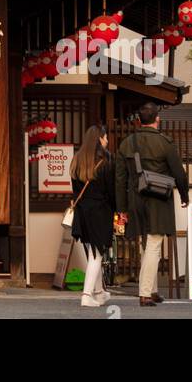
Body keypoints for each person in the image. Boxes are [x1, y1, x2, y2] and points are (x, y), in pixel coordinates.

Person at [115, 102, 189, 306]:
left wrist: (121, 209)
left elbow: (119, 180)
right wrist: (184, 196)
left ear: (138, 121)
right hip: (159, 198)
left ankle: (153, 289)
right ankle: (146, 292)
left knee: (145, 243)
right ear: (158, 119)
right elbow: (179, 174)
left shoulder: (126, 143)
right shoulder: (165, 143)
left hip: (135, 200)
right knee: (155, 243)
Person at [69, 124, 117, 307]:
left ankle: (99, 291)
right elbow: (111, 191)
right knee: (97, 255)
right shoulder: (106, 161)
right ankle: (87, 294)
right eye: (105, 137)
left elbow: (75, 191)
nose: (107, 140)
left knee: (92, 252)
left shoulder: (77, 160)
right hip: (100, 212)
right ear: (99, 139)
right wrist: (118, 209)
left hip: (82, 212)